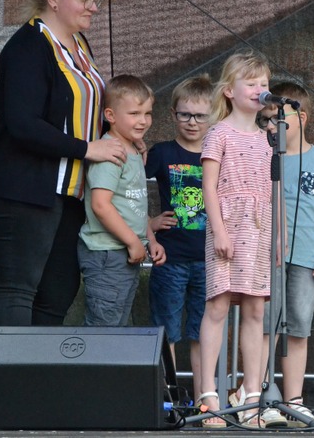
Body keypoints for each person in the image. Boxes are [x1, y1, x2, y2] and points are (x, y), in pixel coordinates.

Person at [0, 0, 128, 326]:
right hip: (26, 187)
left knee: (58, 290)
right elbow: (22, 124)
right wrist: (87, 148)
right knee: (19, 288)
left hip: (71, 192)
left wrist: (118, 134)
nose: (94, 6)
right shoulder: (27, 46)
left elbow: (83, 110)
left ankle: (38, 382)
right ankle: (9, 386)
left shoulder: (78, 44)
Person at [257, 82, 314, 427]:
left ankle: (293, 399)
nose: (270, 126)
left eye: (277, 119)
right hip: (267, 256)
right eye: (264, 120)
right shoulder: (263, 156)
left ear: (301, 117)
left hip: (308, 258)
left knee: (298, 328)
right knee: (264, 327)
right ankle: (260, 394)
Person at [196, 49, 274, 429]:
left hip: (259, 228)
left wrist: (279, 237)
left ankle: (251, 393)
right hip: (228, 225)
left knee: (256, 309)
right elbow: (208, 187)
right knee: (219, 306)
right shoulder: (219, 133)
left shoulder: (268, 138)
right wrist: (220, 230)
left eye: (264, 84)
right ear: (229, 90)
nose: (260, 89)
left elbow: (272, 190)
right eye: (252, 83)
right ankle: (208, 393)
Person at [144, 74, 214, 405]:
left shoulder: (219, 154)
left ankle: (205, 397)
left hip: (210, 260)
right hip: (169, 258)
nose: (191, 122)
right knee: (166, 332)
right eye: (184, 114)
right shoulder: (161, 153)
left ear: (213, 116)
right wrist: (149, 223)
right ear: (172, 114)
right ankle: (168, 397)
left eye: (200, 115)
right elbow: (124, 189)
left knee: (203, 333)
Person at [78, 74, 166, 326]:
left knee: (117, 327)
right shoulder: (111, 153)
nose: (143, 121)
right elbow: (100, 205)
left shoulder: (134, 150)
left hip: (124, 252)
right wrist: (132, 242)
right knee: (104, 329)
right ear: (110, 115)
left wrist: (150, 239)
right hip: (108, 253)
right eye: (134, 113)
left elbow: (133, 206)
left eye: (147, 113)